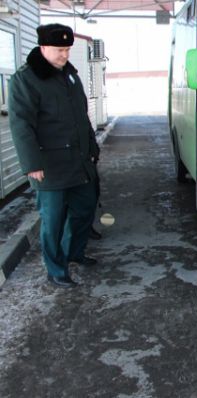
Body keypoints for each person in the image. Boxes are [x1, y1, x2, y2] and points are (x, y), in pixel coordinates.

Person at [9, 23, 100, 288]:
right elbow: (21, 124)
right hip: (49, 166)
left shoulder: (69, 75)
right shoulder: (26, 79)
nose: (65, 55)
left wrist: (92, 148)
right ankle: (56, 269)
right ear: (43, 48)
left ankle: (74, 253)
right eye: (60, 50)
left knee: (84, 210)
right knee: (53, 220)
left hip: (79, 162)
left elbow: (81, 117)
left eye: (68, 49)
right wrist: (31, 164)